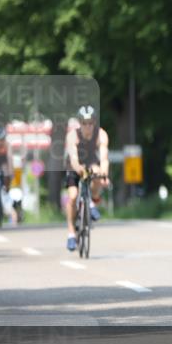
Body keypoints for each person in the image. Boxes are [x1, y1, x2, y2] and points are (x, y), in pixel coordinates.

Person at [64, 105, 109, 251]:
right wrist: (79, 170)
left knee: (97, 173)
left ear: (94, 122)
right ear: (80, 123)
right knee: (73, 196)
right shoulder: (73, 135)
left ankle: (92, 201)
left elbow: (104, 157)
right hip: (74, 164)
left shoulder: (101, 134)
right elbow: (74, 159)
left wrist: (104, 174)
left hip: (90, 161)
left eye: (90, 123)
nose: (87, 126)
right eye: (84, 123)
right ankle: (71, 232)